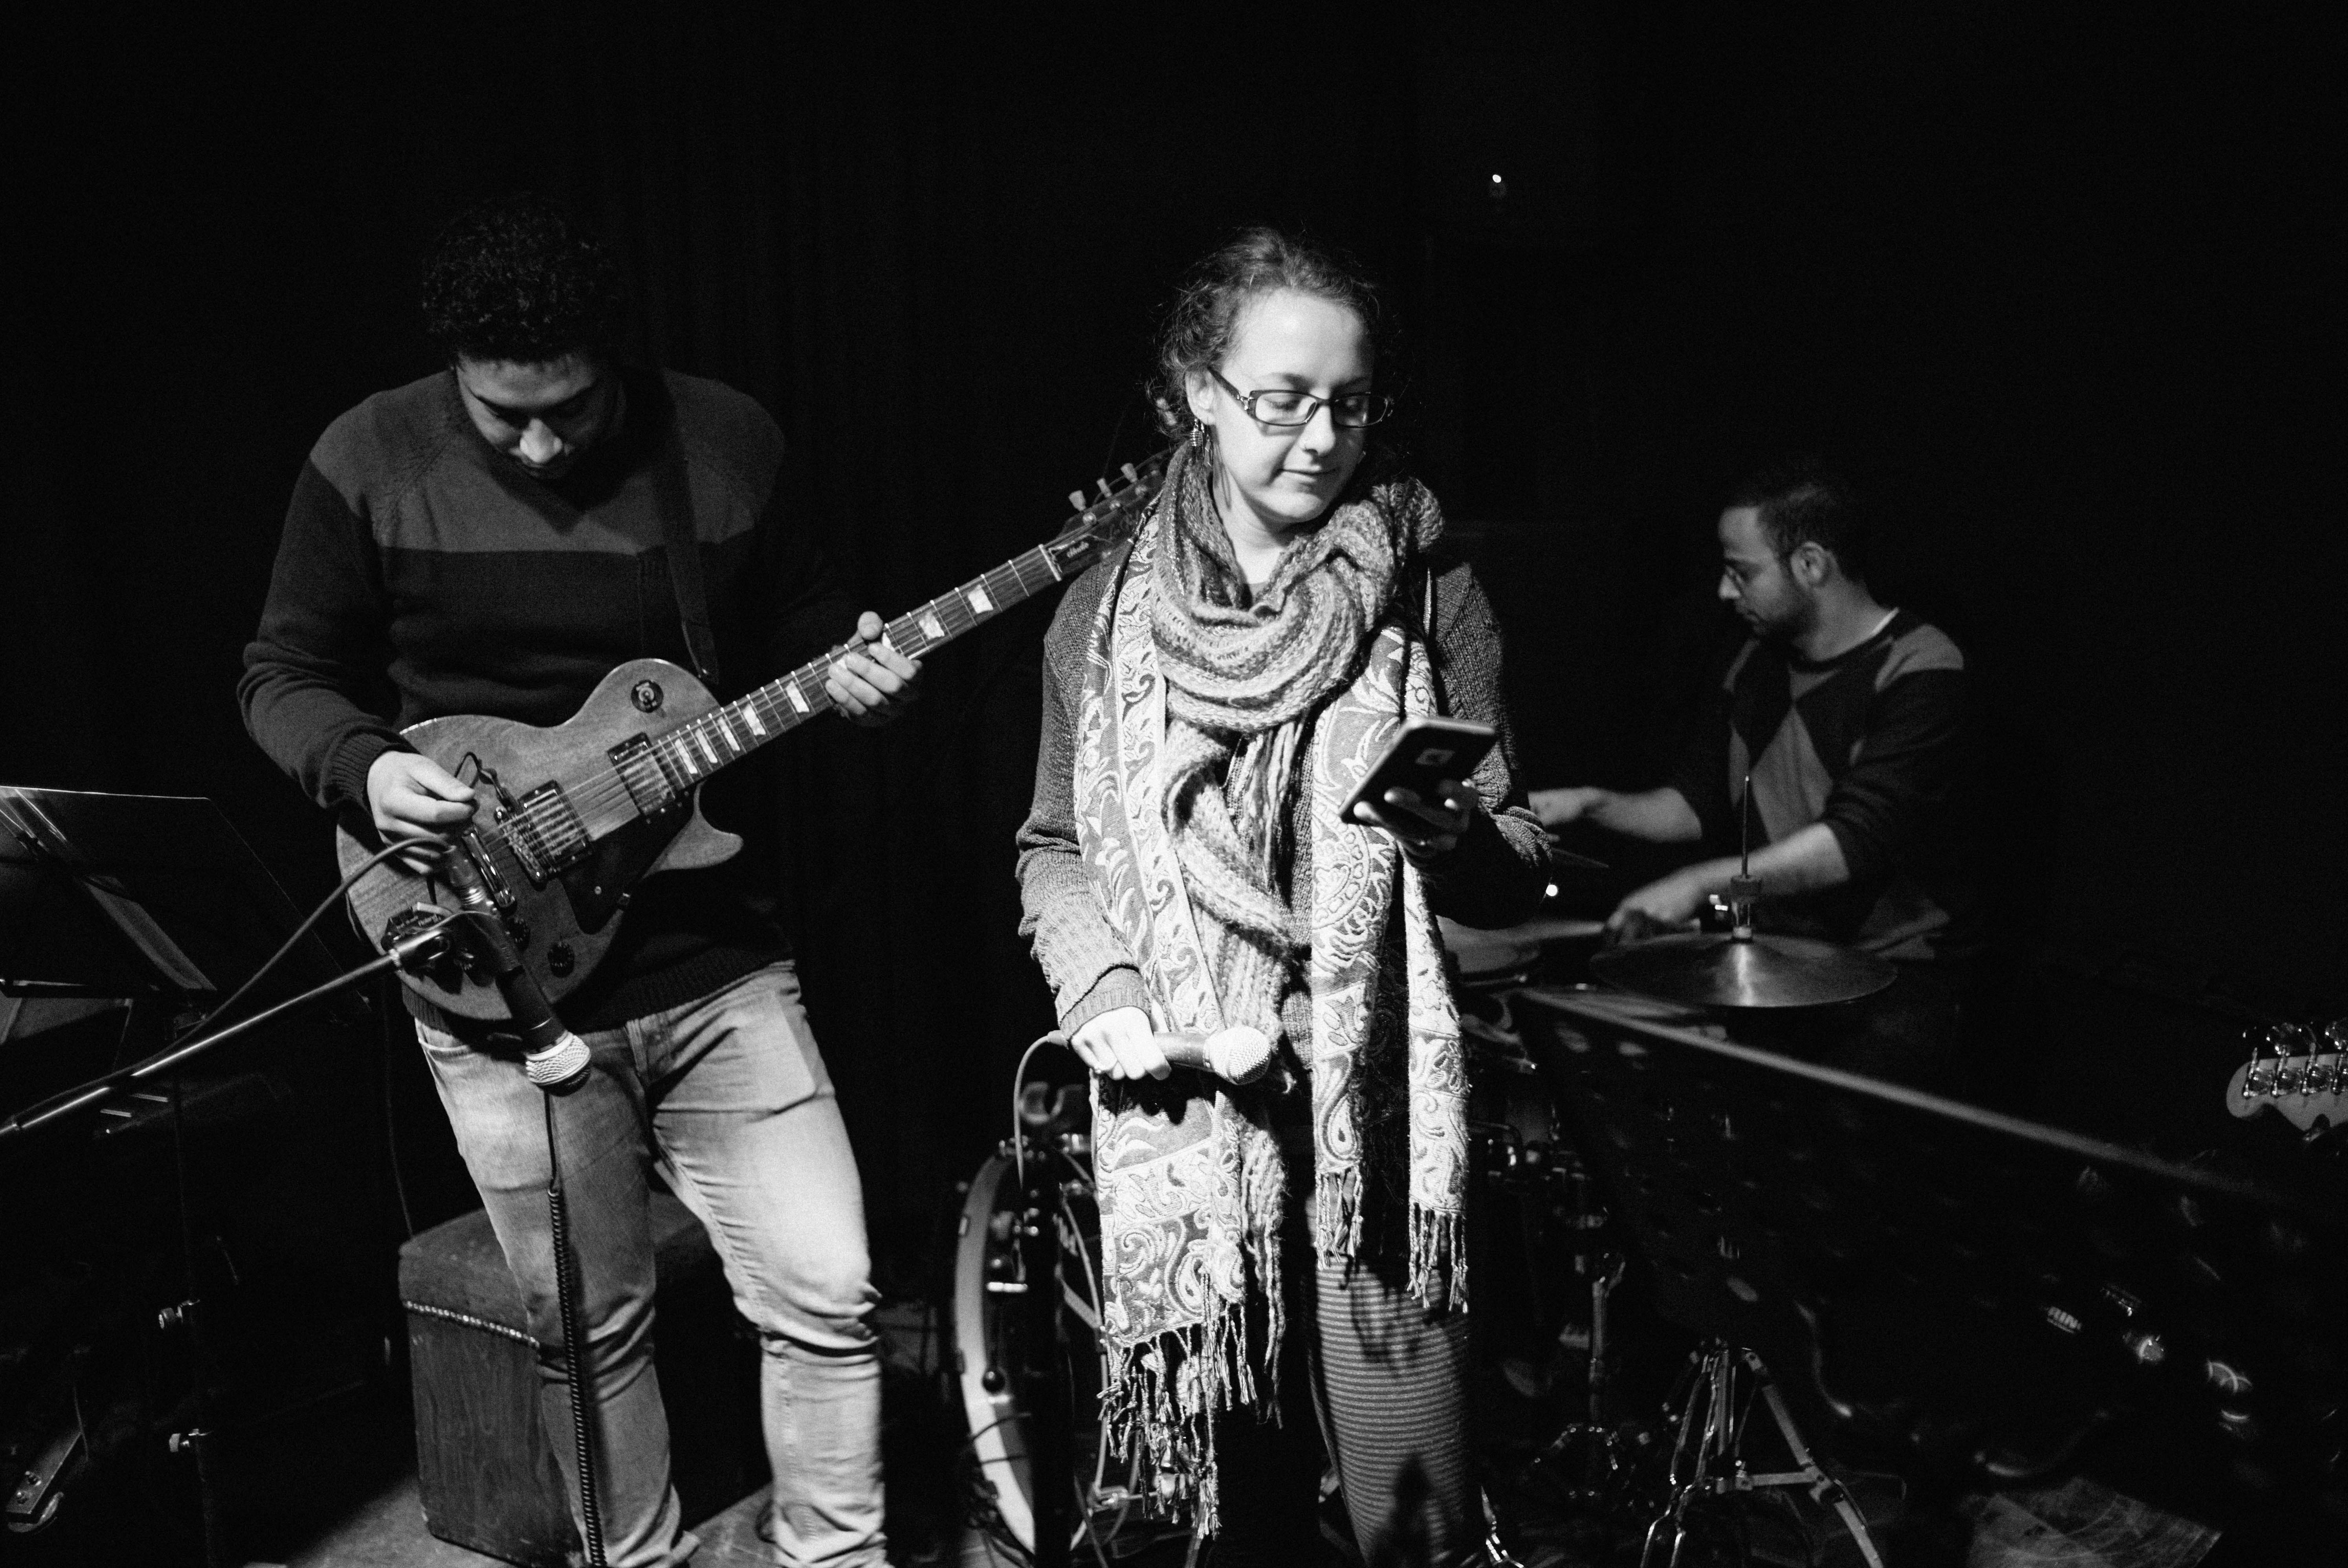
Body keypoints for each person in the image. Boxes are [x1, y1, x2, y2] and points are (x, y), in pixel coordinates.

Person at [239, 194, 913, 1568]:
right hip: (497, 967)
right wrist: (365, 769)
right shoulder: (368, 457)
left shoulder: (722, 442)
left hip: (712, 952)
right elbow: (282, 675)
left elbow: (805, 626)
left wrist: (859, 675)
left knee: (829, 1289)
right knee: (588, 1329)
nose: (543, 445)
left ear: (618, 359)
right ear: (453, 375)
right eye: (505, 418)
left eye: (572, 409)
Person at [1015, 229, 1549, 1563]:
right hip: (1195, 1107)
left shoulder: (1429, 584)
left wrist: (1453, 841)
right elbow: (1052, 845)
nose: (1321, 439)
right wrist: (1104, 984)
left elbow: (1517, 844)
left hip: (1375, 1109)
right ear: (1197, 391)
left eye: (1350, 406)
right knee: (1242, 1527)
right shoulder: (1102, 611)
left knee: (1411, 1518)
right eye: (1283, 401)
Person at [1532, 460, 1975, 1088]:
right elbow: (1696, 803)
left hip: (1893, 978)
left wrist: (1698, 884)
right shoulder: (1755, 661)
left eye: (1742, 572)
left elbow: (1855, 841)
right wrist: (1588, 803)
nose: (1724, 591)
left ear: (1811, 564)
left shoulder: (1922, 665)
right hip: (1777, 964)